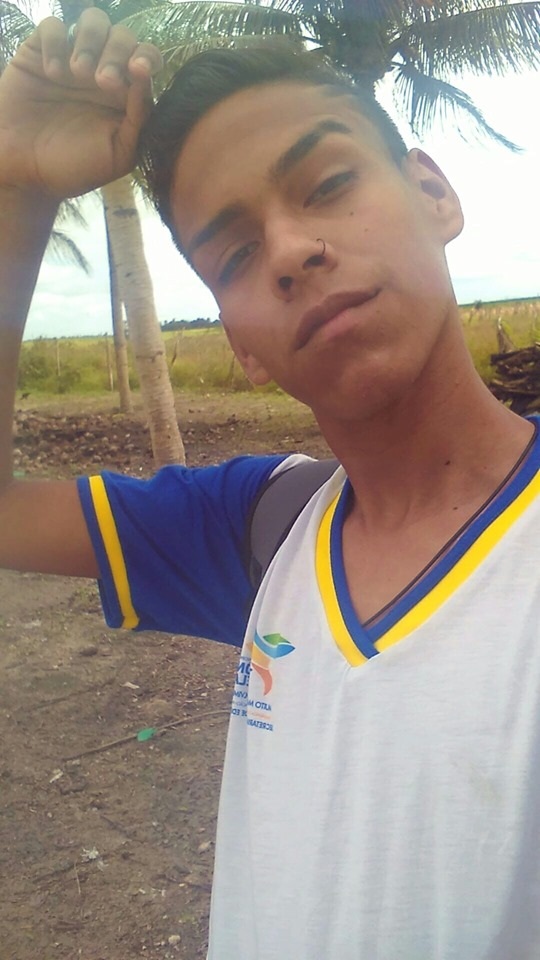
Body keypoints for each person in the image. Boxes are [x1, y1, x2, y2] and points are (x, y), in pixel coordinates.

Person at [1, 10, 539, 960]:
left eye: (328, 185)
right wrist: (17, 188)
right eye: (237, 255)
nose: (290, 250)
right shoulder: (256, 528)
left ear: (434, 194)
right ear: (240, 343)